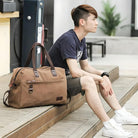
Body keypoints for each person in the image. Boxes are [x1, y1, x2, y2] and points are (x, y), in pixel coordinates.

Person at [45, 4, 138, 138]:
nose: (97, 23)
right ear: (82, 22)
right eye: (93, 19)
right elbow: (75, 72)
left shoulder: (81, 39)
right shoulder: (68, 39)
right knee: (89, 81)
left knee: (98, 77)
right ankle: (108, 125)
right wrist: (99, 79)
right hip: (53, 82)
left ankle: (120, 113)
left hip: (64, 79)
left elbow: (86, 67)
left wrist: (103, 75)